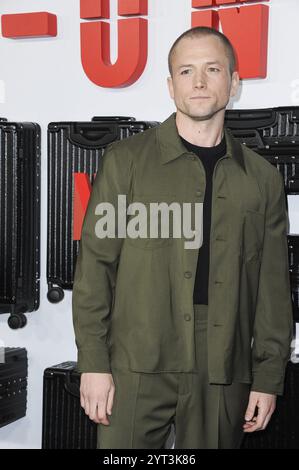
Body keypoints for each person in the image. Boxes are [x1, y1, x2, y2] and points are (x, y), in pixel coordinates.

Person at [72, 26, 293, 449]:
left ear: (234, 82)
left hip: (224, 365)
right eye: (186, 71)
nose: (199, 81)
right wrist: (94, 365)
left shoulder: (263, 181)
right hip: (135, 361)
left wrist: (268, 378)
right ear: (170, 85)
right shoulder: (125, 163)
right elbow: (95, 270)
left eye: (213, 69)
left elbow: (272, 290)